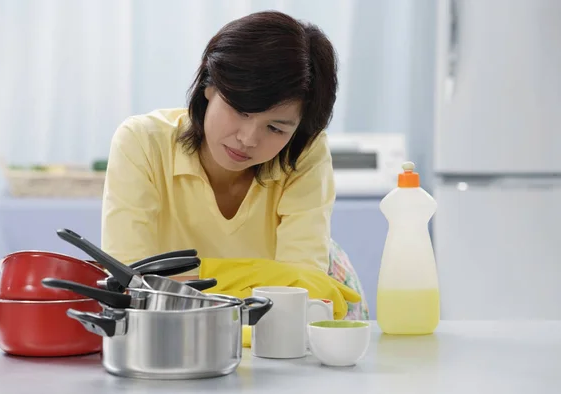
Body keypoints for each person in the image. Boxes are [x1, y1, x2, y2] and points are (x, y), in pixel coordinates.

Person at [101, 10, 369, 319]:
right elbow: (131, 283)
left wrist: (183, 280)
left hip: (288, 308)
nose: (248, 139)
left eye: (276, 128)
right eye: (241, 110)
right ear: (209, 87)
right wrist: (265, 276)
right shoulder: (142, 142)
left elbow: (300, 293)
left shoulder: (304, 152)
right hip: (212, 316)